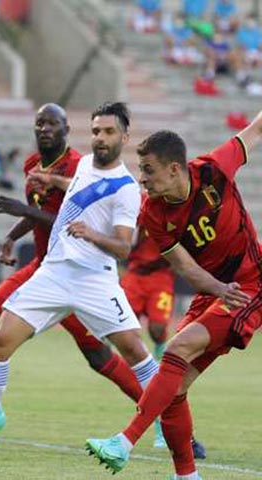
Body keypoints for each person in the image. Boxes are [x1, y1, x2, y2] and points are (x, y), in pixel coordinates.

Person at [0, 102, 161, 450]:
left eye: (109, 132)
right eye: (96, 131)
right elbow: (76, 186)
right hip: (53, 274)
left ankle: (173, 425)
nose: (101, 138)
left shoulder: (125, 187)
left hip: (95, 280)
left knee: (135, 352)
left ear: (124, 136)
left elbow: (125, 248)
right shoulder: (82, 168)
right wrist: (51, 180)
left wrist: (92, 234)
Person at [85, 115, 262, 478]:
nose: (142, 178)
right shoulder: (152, 213)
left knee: (177, 349)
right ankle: (187, 475)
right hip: (214, 290)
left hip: (250, 285)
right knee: (174, 388)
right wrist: (216, 289)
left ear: (174, 169)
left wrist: (222, 289)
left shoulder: (215, 169)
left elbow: (256, 128)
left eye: (148, 170)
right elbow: (186, 269)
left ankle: (125, 440)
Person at [121, 194, 176, 361]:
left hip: (161, 276)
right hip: (135, 273)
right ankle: (119, 358)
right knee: (123, 324)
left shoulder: (178, 206)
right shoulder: (141, 201)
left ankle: (160, 355)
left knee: (157, 328)